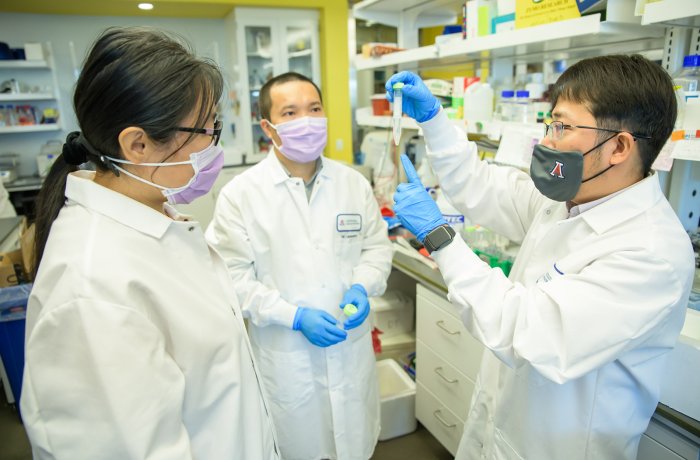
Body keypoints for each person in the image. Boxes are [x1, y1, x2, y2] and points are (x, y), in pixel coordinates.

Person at [387, 55, 695, 460]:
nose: (546, 141)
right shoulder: (569, 198)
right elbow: (480, 186)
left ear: (619, 146)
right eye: (549, 124)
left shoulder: (652, 252)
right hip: (500, 429)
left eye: (563, 126)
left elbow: (530, 333)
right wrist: (434, 121)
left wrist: (441, 238)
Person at [21, 27, 279, 459]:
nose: (213, 143)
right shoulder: (93, 288)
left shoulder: (153, 216)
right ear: (137, 144)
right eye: (205, 129)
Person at [206, 72, 393, 460]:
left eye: (314, 109)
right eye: (290, 113)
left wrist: (363, 285)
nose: (305, 120)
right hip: (287, 358)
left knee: (354, 444)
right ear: (268, 127)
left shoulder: (352, 183)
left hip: (350, 349)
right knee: (300, 447)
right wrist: (292, 316)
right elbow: (230, 278)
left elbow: (376, 249)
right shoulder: (240, 195)